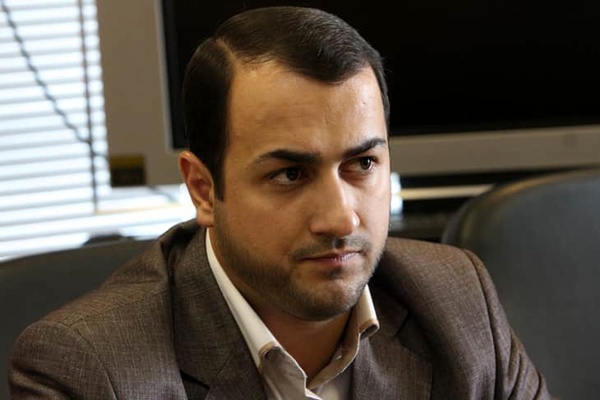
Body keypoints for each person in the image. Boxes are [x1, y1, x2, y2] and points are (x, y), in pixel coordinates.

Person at [8, 6, 554, 399]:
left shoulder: (458, 301)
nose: (340, 217)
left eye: (363, 164)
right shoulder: (91, 371)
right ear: (203, 189)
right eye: (290, 174)